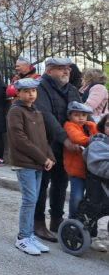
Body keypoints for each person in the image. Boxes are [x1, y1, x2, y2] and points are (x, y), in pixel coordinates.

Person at [33, 57, 80, 242]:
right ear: (49, 71)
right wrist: (65, 137)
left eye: (67, 68)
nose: (66, 71)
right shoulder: (40, 87)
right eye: (61, 68)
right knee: (42, 184)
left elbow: (79, 114)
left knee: (61, 183)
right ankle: (38, 222)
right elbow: (46, 115)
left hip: (65, 146)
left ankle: (57, 218)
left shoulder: (72, 89)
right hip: (44, 143)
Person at [6, 78, 55, 255]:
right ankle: (22, 237)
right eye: (26, 91)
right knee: (29, 199)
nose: (31, 94)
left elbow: (43, 138)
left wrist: (50, 157)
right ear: (18, 93)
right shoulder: (16, 111)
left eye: (33, 91)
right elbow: (20, 139)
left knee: (34, 200)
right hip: (25, 163)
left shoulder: (36, 112)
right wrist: (43, 158)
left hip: (38, 162)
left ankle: (29, 234)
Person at [62, 102, 106, 252]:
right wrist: (92, 141)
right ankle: (73, 222)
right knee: (77, 197)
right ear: (70, 116)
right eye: (77, 115)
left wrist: (98, 139)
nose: (81, 118)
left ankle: (90, 231)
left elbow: (98, 134)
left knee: (93, 202)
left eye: (83, 115)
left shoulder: (90, 125)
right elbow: (77, 137)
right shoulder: (70, 125)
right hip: (77, 171)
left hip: (92, 173)